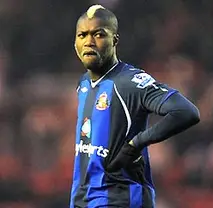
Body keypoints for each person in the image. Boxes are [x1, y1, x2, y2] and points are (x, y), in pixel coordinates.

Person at [70, 5, 200, 208]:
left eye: (98, 34)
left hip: (120, 198)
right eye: (82, 35)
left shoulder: (129, 82)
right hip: (84, 199)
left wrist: (137, 143)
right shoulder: (84, 84)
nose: (89, 42)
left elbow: (185, 112)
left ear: (115, 40)